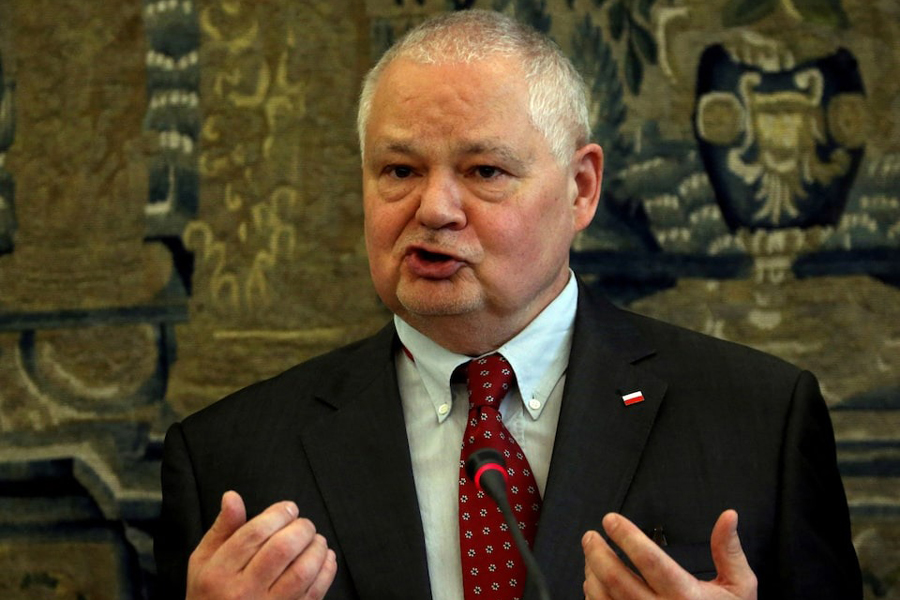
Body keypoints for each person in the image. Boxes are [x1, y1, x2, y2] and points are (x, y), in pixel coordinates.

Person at [154, 9, 862, 600]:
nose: (433, 209)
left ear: (581, 190)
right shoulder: (229, 462)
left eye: (484, 171)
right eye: (399, 171)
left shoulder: (758, 419)